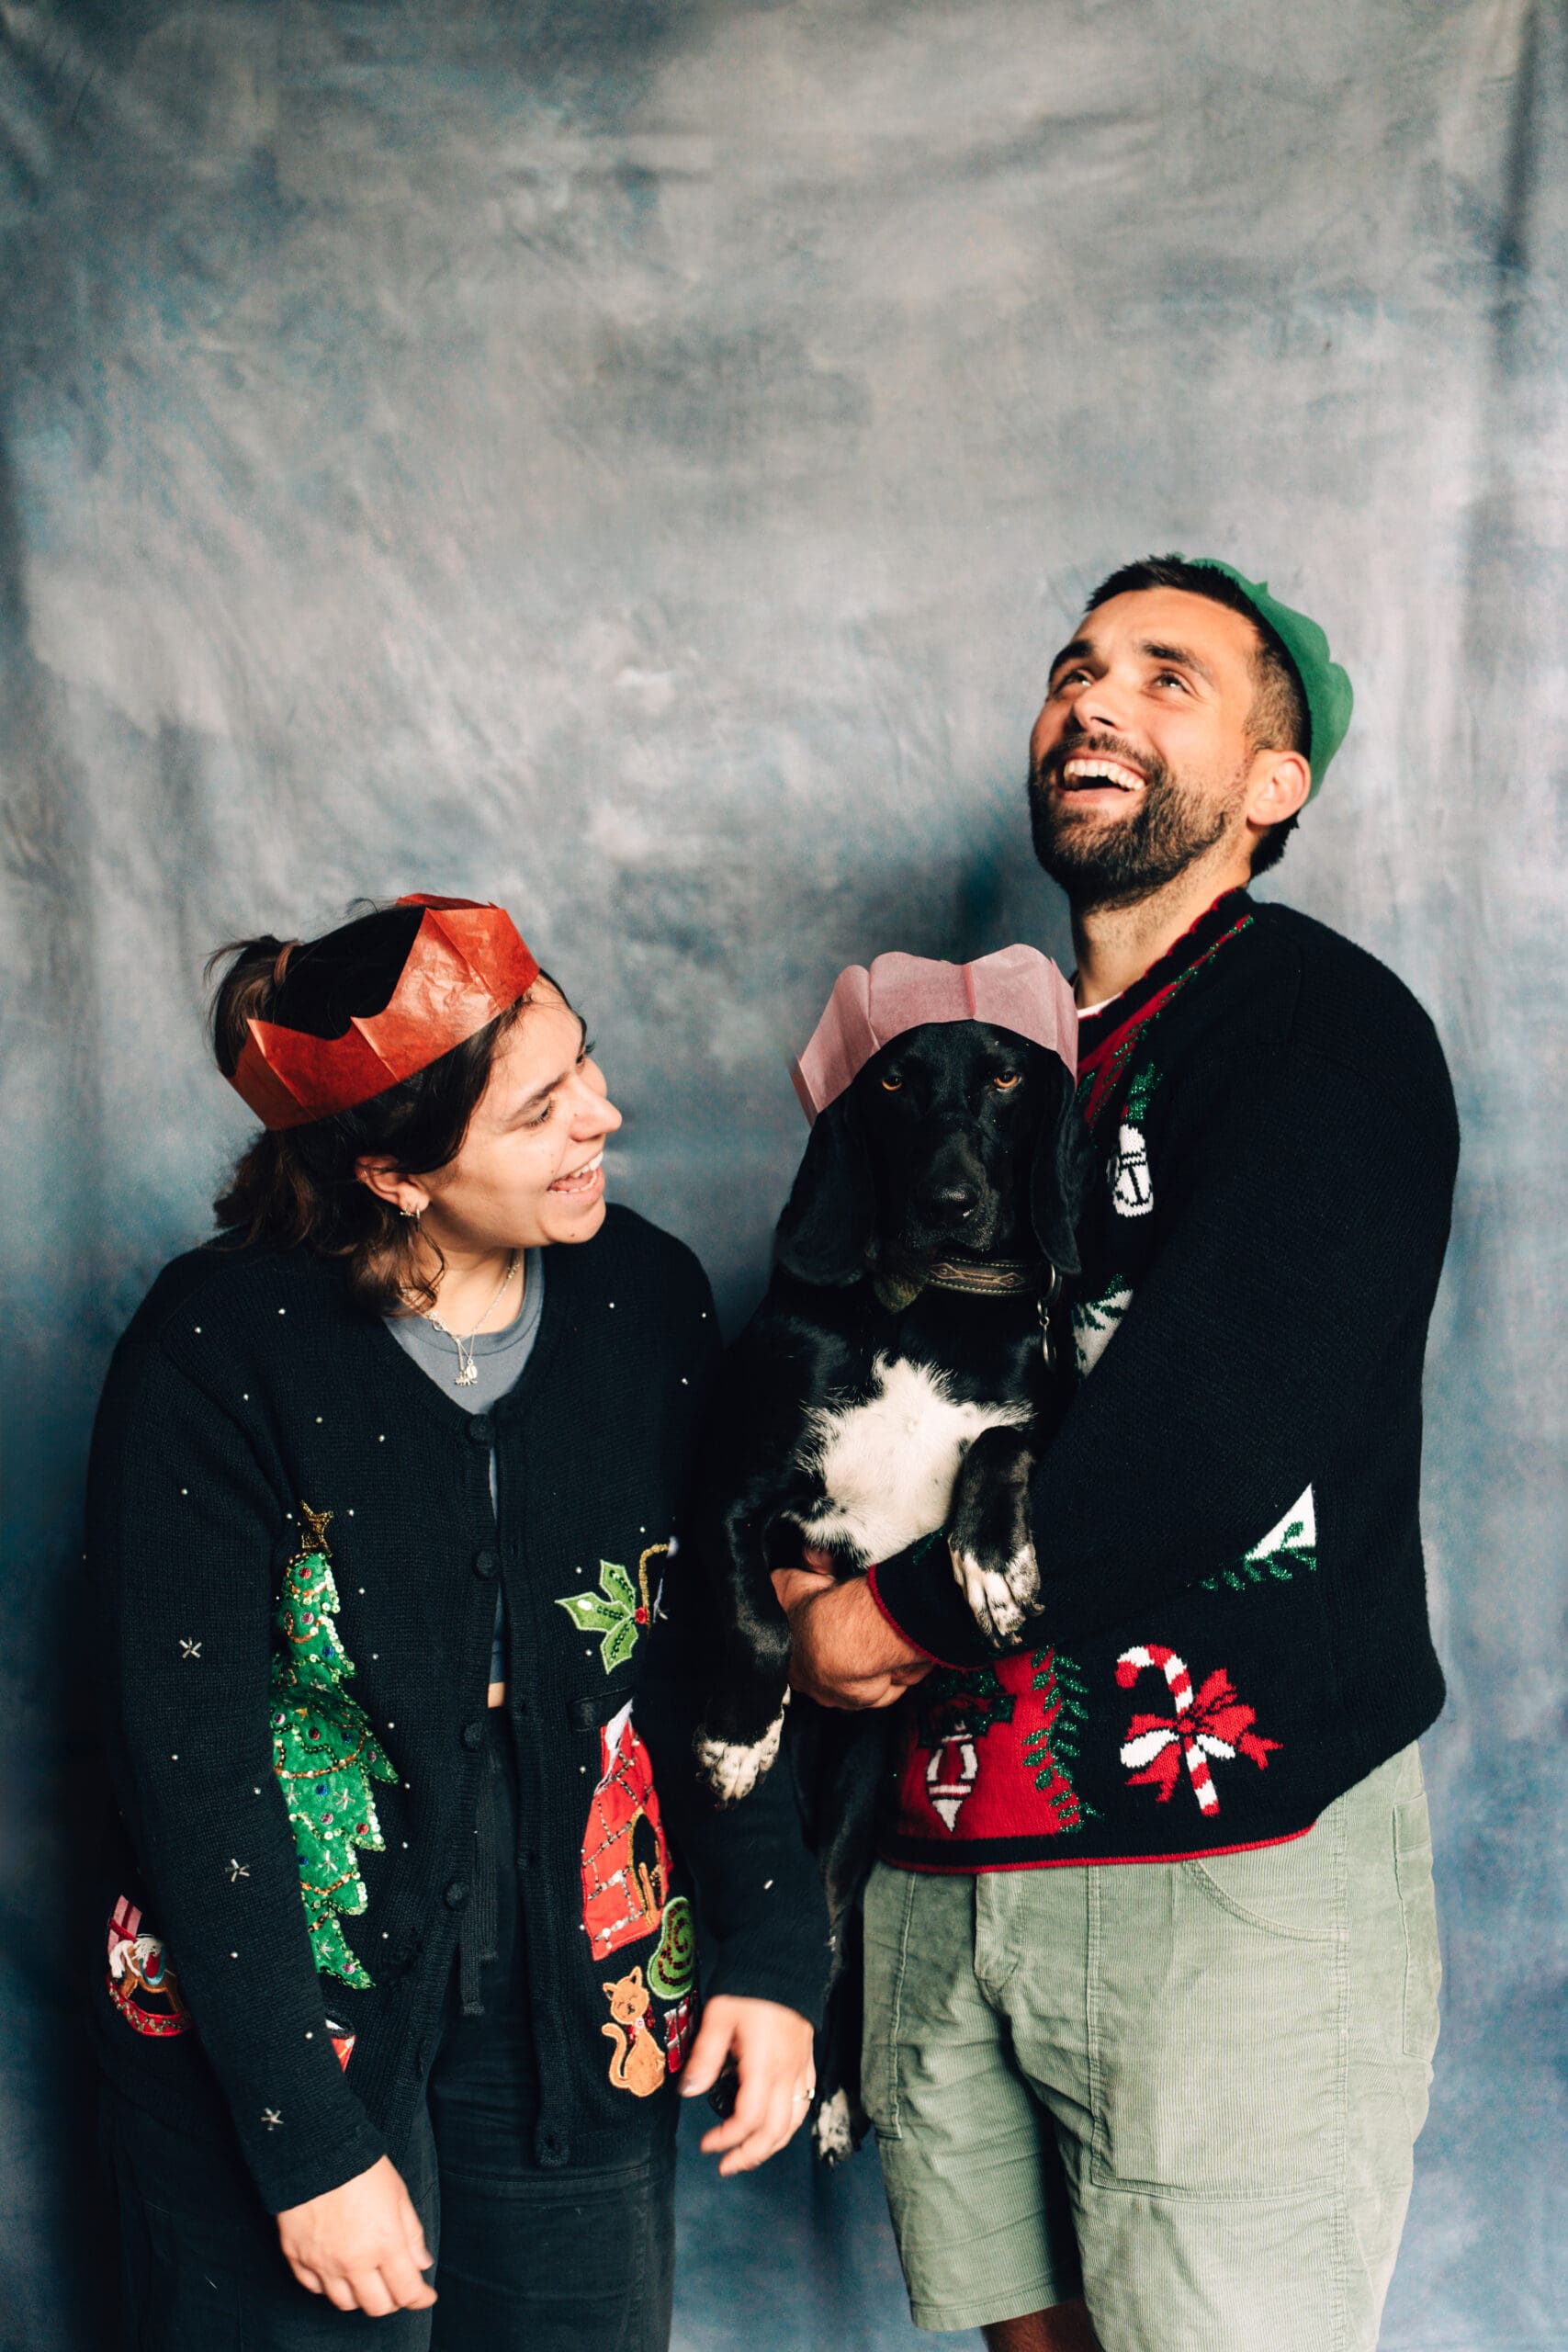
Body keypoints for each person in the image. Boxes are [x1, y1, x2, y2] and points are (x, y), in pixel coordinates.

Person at [773, 559, 1457, 2352]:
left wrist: (874, 1625)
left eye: (1167, 678)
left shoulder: (1317, 1033)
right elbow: (820, 1349)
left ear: (1267, 782)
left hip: (1216, 1864)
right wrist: (784, 1553)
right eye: (1075, 668)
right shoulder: (967, 1072)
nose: (1092, 698)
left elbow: (1210, 1435)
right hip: (943, 1858)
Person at [87, 892, 826, 2350]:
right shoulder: (218, 1344)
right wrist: (305, 2144)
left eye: (586, 1067)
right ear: (395, 1174)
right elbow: (189, 1760)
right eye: (544, 1108)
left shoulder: (646, 1299)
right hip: (286, 1986)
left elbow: (706, 1647)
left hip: (583, 1967)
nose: (604, 1116)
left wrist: (771, 1951)